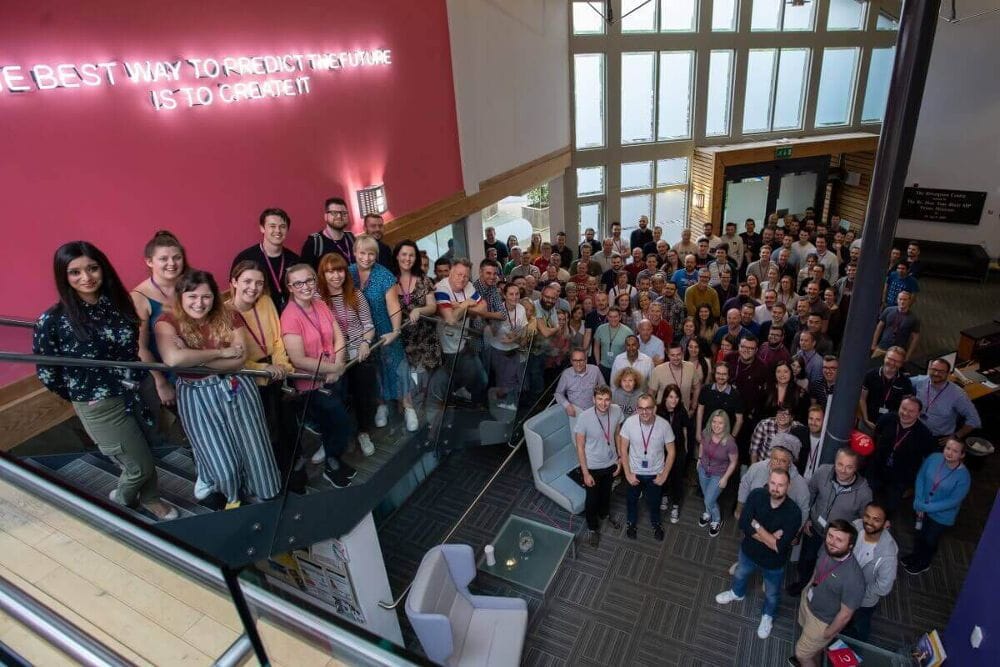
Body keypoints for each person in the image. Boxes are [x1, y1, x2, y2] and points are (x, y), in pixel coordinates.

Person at [34, 241, 177, 520]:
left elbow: (133, 345)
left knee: (147, 451)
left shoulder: (118, 303)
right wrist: (86, 395)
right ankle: (121, 500)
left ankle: (149, 499)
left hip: (137, 388)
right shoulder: (52, 320)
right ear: (63, 276)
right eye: (75, 272)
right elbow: (48, 373)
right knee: (137, 466)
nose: (86, 278)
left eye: (92, 268)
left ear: (103, 269)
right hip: (100, 402)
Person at [156, 270, 281, 507]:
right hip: (195, 394)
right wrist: (220, 352)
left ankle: (263, 494)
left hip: (236, 385)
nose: (199, 303)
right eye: (192, 296)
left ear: (214, 296)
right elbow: (172, 360)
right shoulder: (167, 322)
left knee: (255, 448)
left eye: (206, 297)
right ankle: (227, 492)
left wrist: (192, 357)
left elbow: (239, 359)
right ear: (181, 297)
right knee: (223, 463)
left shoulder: (229, 314)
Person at [281, 263, 354, 488]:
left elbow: (338, 336)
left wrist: (339, 363)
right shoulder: (290, 316)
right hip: (313, 385)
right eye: (299, 283)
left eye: (310, 280)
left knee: (336, 424)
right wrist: (332, 370)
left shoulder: (320, 303)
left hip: (335, 374)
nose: (306, 286)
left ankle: (334, 459)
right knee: (341, 425)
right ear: (290, 287)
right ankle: (331, 464)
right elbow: (298, 359)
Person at [227, 261, 296, 479]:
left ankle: (292, 468)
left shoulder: (265, 301)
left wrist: (281, 365)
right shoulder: (224, 313)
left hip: (276, 371)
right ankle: (272, 475)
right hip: (249, 376)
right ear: (234, 282)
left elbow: (277, 339)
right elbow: (234, 357)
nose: (253, 288)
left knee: (287, 424)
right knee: (265, 430)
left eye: (259, 283)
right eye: (247, 281)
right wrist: (265, 368)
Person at [716, 468, 804, 639]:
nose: (776, 488)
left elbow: (779, 547)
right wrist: (770, 537)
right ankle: (737, 593)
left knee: (772, 593)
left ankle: (767, 616)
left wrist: (756, 525)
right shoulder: (757, 495)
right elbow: (743, 523)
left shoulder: (794, 513)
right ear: (768, 481)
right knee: (740, 575)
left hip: (773, 562)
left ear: (788, 486)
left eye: (781, 485)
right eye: (773, 483)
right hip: (748, 552)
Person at [788, 448, 872, 597]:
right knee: (807, 558)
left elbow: (863, 521)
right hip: (813, 528)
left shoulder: (864, 492)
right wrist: (807, 518)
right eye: (840, 464)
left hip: (837, 538)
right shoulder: (822, 472)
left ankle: (817, 590)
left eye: (849, 467)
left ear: (856, 468)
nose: (843, 470)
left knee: (827, 566)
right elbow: (810, 493)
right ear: (835, 462)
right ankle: (802, 583)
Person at [319, 252, 379, 455]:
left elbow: (368, 325)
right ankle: (331, 439)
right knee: (336, 402)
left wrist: (365, 342)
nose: (336, 276)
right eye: (330, 272)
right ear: (323, 274)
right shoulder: (318, 299)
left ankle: (363, 432)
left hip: (358, 355)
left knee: (363, 397)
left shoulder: (356, 294)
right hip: (333, 360)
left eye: (340, 271)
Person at [351, 234, 407, 430]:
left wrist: (396, 330)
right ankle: (381, 406)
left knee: (395, 368)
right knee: (373, 372)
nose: (366, 258)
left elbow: (393, 305)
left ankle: (406, 407)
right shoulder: (348, 273)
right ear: (355, 253)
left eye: (371, 254)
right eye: (362, 253)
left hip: (384, 327)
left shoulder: (385, 275)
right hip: (360, 331)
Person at [791, 520, 866, 667]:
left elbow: (845, 615)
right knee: (811, 646)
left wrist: (828, 633)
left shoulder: (854, 579)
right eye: (830, 536)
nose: (832, 542)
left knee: (801, 654)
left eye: (839, 540)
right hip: (808, 601)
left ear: (850, 546)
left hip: (822, 621)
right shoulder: (826, 549)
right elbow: (818, 570)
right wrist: (807, 588)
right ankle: (814, 656)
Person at [131, 230, 186, 422]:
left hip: (202, 366)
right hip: (171, 375)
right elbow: (141, 348)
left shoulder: (190, 284)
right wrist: (160, 382)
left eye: (176, 257)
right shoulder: (139, 296)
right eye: (164, 259)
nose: (171, 264)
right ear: (149, 261)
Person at [907, 439, 974, 575]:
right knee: (919, 533)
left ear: (962, 455)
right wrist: (918, 500)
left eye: (955, 451)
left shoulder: (964, 477)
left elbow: (953, 501)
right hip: (921, 507)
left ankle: (924, 562)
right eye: (948, 448)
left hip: (941, 516)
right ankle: (915, 556)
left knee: (930, 539)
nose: (949, 452)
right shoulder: (933, 458)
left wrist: (925, 508)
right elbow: (921, 477)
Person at [618, 394, 676, 541]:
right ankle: (631, 522)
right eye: (641, 408)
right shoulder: (629, 423)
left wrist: (664, 475)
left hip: (655, 473)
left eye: (648, 408)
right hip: (634, 472)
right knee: (631, 500)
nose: (644, 412)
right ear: (637, 409)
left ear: (654, 408)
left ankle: (656, 523)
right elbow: (623, 449)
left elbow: (672, 452)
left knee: (654, 501)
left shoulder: (664, 425)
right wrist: (627, 474)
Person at [394, 240, 442, 412]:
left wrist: (419, 310)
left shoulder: (424, 279)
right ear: (397, 256)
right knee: (409, 385)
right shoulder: (390, 280)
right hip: (403, 343)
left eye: (411, 255)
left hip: (426, 341)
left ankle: (429, 423)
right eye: (404, 254)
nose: (407, 258)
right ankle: (412, 415)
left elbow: (432, 307)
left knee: (427, 386)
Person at [841, 503, 898, 642]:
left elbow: (883, 588)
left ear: (886, 524)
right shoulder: (856, 526)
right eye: (867, 516)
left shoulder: (888, 554)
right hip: (842, 589)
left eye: (876, 519)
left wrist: (859, 591)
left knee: (860, 627)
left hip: (863, 601)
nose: (869, 522)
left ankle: (858, 649)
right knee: (840, 621)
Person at [574, 386, 624, 547]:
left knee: (606, 492)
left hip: (610, 462)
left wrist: (620, 458)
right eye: (600, 399)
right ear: (593, 400)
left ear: (611, 400)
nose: (604, 403)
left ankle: (604, 515)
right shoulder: (584, 417)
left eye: (607, 399)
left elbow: (617, 434)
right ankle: (592, 528)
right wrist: (585, 473)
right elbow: (580, 446)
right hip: (592, 466)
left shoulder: (616, 411)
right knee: (592, 499)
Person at [231, 208, 300, 313]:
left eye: (282, 227)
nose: (278, 231)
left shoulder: (295, 260)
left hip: (289, 315)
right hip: (256, 316)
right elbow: (234, 290)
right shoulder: (244, 257)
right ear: (262, 228)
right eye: (272, 226)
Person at [910, 357, 982, 444]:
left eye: (941, 371)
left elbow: (974, 420)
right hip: (916, 429)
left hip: (938, 437)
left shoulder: (958, 395)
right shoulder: (921, 381)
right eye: (934, 369)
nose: (936, 373)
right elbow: (900, 381)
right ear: (929, 370)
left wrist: (956, 436)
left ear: (948, 374)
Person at [737, 444, 810, 527]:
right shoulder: (756, 468)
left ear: (790, 463)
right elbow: (744, 486)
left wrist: (796, 533)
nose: (778, 463)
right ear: (770, 458)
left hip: (778, 528)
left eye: (783, 461)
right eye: (775, 459)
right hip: (753, 521)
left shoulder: (800, 484)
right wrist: (739, 509)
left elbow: (804, 510)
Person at [696, 409, 739, 537]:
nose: (716, 425)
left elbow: (733, 462)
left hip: (718, 475)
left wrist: (725, 478)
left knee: (709, 499)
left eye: (720, 423)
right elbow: (702, 445)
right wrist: (699, 458)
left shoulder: (730, 443)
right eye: (714, 421)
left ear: (726, 424)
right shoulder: (706, 433)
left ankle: (716, 520)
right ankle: (708, 513)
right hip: (703, 470)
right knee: (707, 496)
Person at [657, 384, 691, 524]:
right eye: (671, 396)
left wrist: (686, 446)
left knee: (677, 478)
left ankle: (676, 505)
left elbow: (684, 429)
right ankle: (664, 494)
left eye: (677, 397)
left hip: (678, 449)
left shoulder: (681, 410)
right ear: (665, 397)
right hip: (662, 450)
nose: (674, 400)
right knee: (663, 473)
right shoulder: (658, 410)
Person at [490, 283, 527, 409]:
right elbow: (493, 331)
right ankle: (501, 404)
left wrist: (514, 338)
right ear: (504, 295)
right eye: (511, 294)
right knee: (501, 379)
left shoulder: (521, 309)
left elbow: (523, 330)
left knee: (513, 378)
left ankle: (511, 404)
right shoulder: (498, 309)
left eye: (517, 294)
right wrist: (498, 323)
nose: (515, 297)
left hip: (514, 348)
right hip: (498, 349)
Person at [858, 346, 913, 431]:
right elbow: (862, 398)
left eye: (897, 361)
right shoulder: (870, 375)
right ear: (885, 358)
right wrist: (865, 419)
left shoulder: (906, 382)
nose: (892, 363)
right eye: (890, 359)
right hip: (867, 423)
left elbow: (906, 406)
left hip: (890, 427)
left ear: (902, 363)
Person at [301, 196, 354, 268]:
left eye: (344, 213)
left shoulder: (351, 237)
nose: (339, 216)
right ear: (325, 216)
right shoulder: (314, 242)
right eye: (334, 213)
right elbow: (306, 272)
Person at [555, 348, 606, 423]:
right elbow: (558, 393)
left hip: (593, 410)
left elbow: (604, 388)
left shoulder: (595, 370)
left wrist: (601, 404)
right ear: (571, 361)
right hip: (575, 412)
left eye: (581, 360)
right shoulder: (566, 374)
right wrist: (567, 406)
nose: (578, 364)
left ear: (586, 360)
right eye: (575, 360)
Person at [650, 341, 700, 414]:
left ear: (682, 353)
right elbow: (651, 393)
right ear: (668, 355)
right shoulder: (658, 370)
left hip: (684, 414)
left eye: (678, 354)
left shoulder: (690, 367)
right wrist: (653, 411)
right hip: (662, 414)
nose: (676, 358)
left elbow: (697, 387)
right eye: (672, 355)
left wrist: (693, 407)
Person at [871, 291, 920, 359]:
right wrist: (874, 344)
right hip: (882, 347)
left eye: (905, 299)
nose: (902, 302)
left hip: (899, 351)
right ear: (897, 300)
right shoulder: (888, 310)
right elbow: (879, 327)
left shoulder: (913, 318)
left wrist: (908, 355)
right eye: (900, 299)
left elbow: (915, 338)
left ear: (909, 301)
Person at [593, 307, 633, 383]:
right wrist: (598, 363)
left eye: (615, 317)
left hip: (620, 367)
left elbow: (630, 351)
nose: (613, 319)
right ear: (607, 317)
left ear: (620, 317)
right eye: (610, 317)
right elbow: (596, 346)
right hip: (603, 367)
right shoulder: (600, 329)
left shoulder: (628, 332)